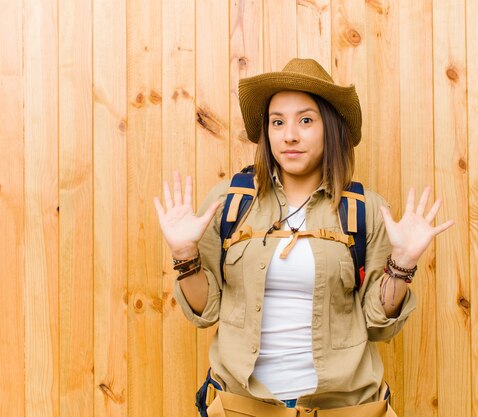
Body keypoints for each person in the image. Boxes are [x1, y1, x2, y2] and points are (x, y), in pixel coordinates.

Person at [154, 58, 454, 416]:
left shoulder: (366, 211)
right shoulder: (229, 202)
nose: (289, 135)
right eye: (277, 122)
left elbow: (378, 325)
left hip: (343, 407)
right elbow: (206, 312)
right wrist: (185, 255)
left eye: (305, 120)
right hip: (240, 406)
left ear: (330, 127)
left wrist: (402, 264)